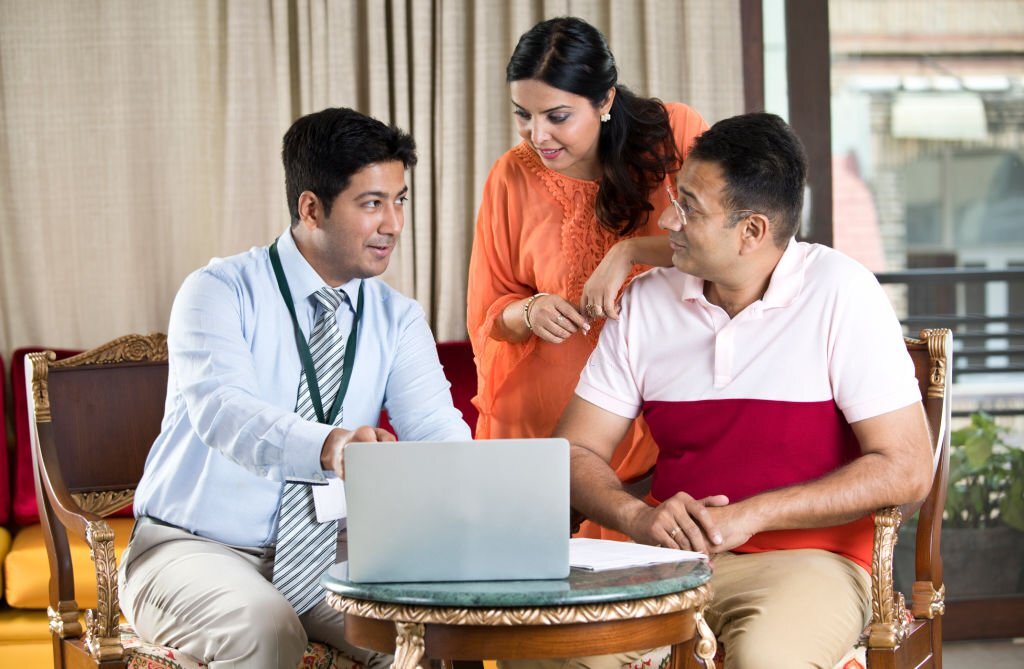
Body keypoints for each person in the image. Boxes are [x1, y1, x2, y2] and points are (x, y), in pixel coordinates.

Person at [561, 113, 934, 668]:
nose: (667, 218)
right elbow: (572, 452)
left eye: (688, 207)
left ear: (752, 231)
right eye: (674, 196)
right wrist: (636, 517)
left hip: (814, 562)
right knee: (558, 653)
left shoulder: (842, 294)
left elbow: (907, 468)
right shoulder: (645, 303)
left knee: (766, 661)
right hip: (668, 564)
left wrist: (754, 514)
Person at [119, 107, 471, 668]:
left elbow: (437, 432)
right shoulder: (217, 291)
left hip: (328, 556)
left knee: (426, 633)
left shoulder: (398, 318)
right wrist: (330, 447)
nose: (394, 224)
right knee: (266, 629)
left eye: (400, 199)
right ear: (311, 208)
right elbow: (225, 413)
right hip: (193, 549)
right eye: (372, 203)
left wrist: (485, 500)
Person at [466, 17, 708, 538]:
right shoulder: (512, 174)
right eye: (523, 116)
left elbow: (726, 240)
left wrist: (627, 252)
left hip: (650, 415)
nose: (538, 135)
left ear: (604, 101)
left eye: (556, 116)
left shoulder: (675, 136)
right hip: (535, 424)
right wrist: (528, 311)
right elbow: (490, 312)